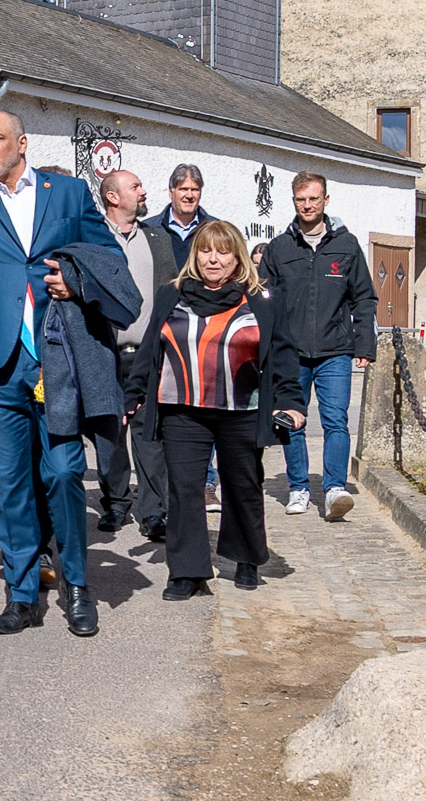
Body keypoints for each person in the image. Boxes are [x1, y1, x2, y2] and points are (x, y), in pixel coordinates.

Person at [0, 110, 120, 638]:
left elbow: (107, 257)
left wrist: (75, 283)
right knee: (8, 481)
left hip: (55, 354)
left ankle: (77, 585)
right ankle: (21, 595)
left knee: (63, 471)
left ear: (22, 143)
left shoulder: (69, 193)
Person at [129, 220, 304, 599]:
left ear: (237, 257)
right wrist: (133, 394)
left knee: (243, 484)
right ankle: (187, 572)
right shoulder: (171, 294)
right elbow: (150, 348)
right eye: (206, 250)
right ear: (195, 255)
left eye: (223, 252)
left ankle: (245, 558)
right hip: (181, 409)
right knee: (184, 488)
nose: (213, 259)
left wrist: (291, 401)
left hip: (242, 409)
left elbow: (283, 353)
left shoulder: (261, 298)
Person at [258, 171, 376, 523]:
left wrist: (364, 344)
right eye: (301, 199)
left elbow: (363, 297)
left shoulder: (347, 245)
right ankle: (298, 488)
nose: (307, 205)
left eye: (313, 199)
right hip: (290, 352)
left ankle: (335, 488)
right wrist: (265, 347)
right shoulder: (280, 248)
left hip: (335, 350)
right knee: (290, 420)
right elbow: (263, 299)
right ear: (294, 201)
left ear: (325, 200)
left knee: (336, 420)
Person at [98, 170, 174, 544]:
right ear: (113, 197)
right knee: (110, 431)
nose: (143, 191)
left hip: (150, 353)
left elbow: (173, 293)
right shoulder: (94, 237)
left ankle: (154, 511)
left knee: (150, 432)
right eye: (135, 187)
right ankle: (115, 502)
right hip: (105, 353)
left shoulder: (158, 239)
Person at [142, 164, 222, 513]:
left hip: (205, 328)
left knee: (205, 403)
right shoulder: (150, 229)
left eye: (195, 189)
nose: (189, 195)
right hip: (162, 326)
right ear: (171, 192)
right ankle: (165, 486)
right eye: (183, 189)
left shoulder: (213, 229)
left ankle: (205, 482)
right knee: (167, 405)